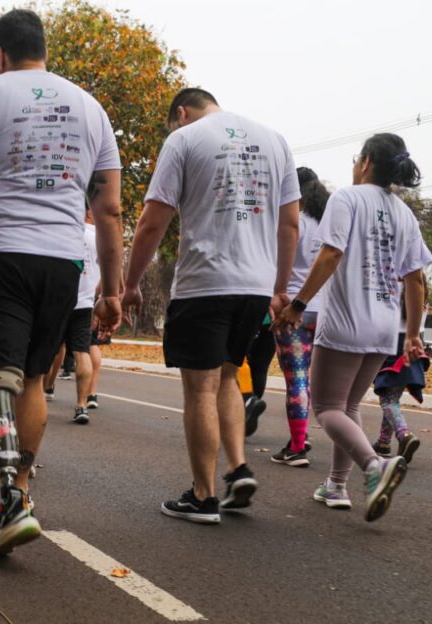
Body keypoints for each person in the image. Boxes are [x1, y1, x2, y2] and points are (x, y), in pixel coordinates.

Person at [0, 8, 123, 557]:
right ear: (45, 50)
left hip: (0, 253)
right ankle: (18, 493)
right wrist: (111, 290)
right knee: (36, 377)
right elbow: (108, 211)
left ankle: (11, 503)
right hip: (65, 262)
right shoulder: (91, 109)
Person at [122, 88, 300, 524]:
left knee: (200, 387)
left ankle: (202, 497)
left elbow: (152, 221)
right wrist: (279, 288)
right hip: (254, 288)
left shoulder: (184, 139)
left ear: (181, 113)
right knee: (226, 377)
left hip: (205, 284)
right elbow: (290, 222)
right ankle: (237, 469)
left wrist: (128, 284)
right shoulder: (275, 141)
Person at [274, 133, 432, 522]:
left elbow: (331, 253)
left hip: (345, 323)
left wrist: (299, 303)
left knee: (327, 406)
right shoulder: (404, 214)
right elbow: (415, 279)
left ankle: (374, 466)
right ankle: (336, 485)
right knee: (348, 406)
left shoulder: (346, 198)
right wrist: (412, 334)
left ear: (364, 163)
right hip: (384, 327)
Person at [269, 167, 330, 466]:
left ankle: (297, 447)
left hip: (293, 310)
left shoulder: (295, 225)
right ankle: (301, 435)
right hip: (325, 312)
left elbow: (279, 262)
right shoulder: (328, 225)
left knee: (296, 380)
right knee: (311, 382)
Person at [42, 203, 101, 424]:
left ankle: (40, 394)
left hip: (59, 299)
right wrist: (95, 297)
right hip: (85, 303)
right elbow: (105, 276)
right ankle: (81, 405)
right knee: (81, 351)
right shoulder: (99, 238)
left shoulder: (69, 229)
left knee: (51, 349)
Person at [372, 280, 430, 463]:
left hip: (393, 349)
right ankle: (383, 443)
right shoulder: (422, 301)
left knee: (388, 401)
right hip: (413, 350)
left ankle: (404, 435)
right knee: (392, 399)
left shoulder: (393, 296)